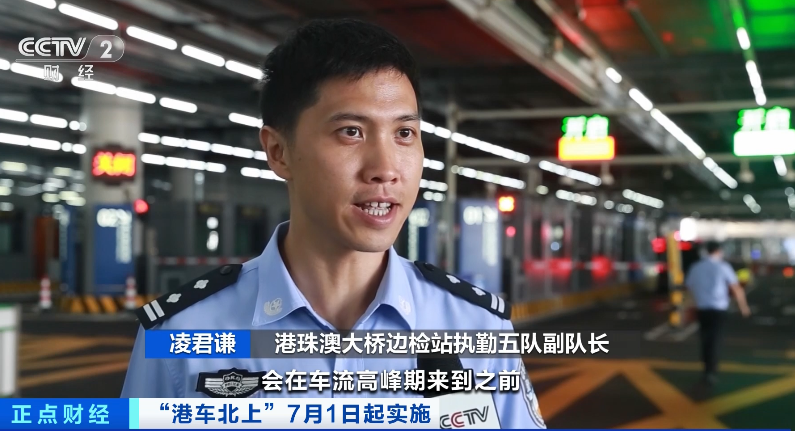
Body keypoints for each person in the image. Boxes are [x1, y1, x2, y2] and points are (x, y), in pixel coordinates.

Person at [121, 19, 546, 428]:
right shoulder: (181, 336)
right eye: (351, 131)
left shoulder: (476, 329)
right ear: (278, 152)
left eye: (404, 134)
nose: (385, 169)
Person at [684, 240, 751, 385]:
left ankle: (706, 368)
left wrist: (687, 309)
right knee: (715, 340)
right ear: (718, 251)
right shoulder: (723, 267)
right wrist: (743, 307)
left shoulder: (696, 267)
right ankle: (711, 371)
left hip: (702, 308)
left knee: (705, 338)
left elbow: (689, 290)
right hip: (718, 309)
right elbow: (736, 288)